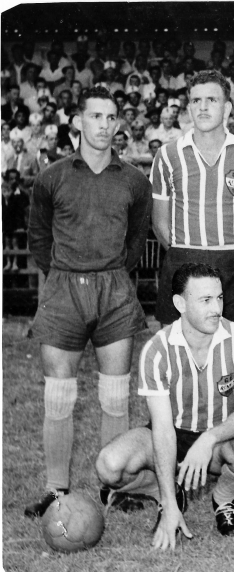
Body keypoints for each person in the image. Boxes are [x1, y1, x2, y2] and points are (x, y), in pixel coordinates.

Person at [25, 86, 152, 517]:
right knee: (58, 395)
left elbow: (136, 241)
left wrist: (109, 271)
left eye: (110, 117)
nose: (103, 124)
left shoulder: (134, 180)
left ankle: (114, 488)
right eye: (95, 116)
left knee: (115, 395)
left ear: (118, 124)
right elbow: (39, 237)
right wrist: (65, 270)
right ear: (78, 121)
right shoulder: (51, 176)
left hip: (115, 288)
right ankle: (56, 489)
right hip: (63, 288)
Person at [95, 263, 234, 547]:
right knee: (109, 466)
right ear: (180, 303)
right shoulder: (156, 349)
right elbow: (162, 430)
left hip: (221, 441)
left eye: (219, 298)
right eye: (205, 300)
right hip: (173, 434)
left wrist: (209, 439)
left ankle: (223, 497)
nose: (216, 308)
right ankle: (166, 493)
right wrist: (169, 504)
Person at [150, 70, 234, 329]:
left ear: (227, 108)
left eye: (211, 100)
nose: (202, 107)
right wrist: (184, 254)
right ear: (189, 107)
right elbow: (159, 222)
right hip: (183, 259)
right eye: (195, 101)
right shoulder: (167, 155)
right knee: (178, 351)